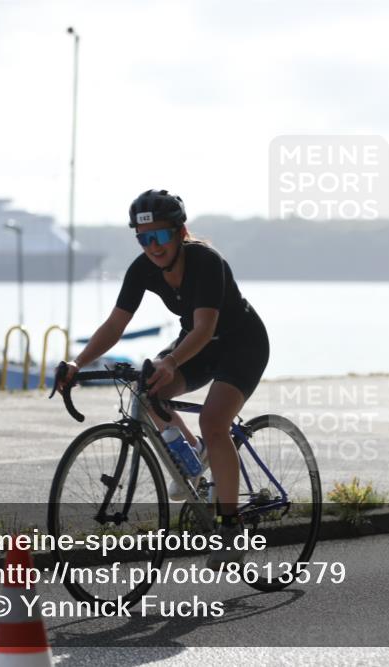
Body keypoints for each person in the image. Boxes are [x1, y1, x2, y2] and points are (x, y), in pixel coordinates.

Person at [59, 189, 270, 566]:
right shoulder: (142, 269)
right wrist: (76, 363)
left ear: (180, 231)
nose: (151, 246)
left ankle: (230, 526)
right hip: (197, 345)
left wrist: (171, 360)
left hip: (241, 345)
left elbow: (205, 328)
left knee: (213, 420)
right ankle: (194, 455)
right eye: (143, 239)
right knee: (145, 389)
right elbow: (114, 325)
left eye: (158, 236)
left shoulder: (206, 261)